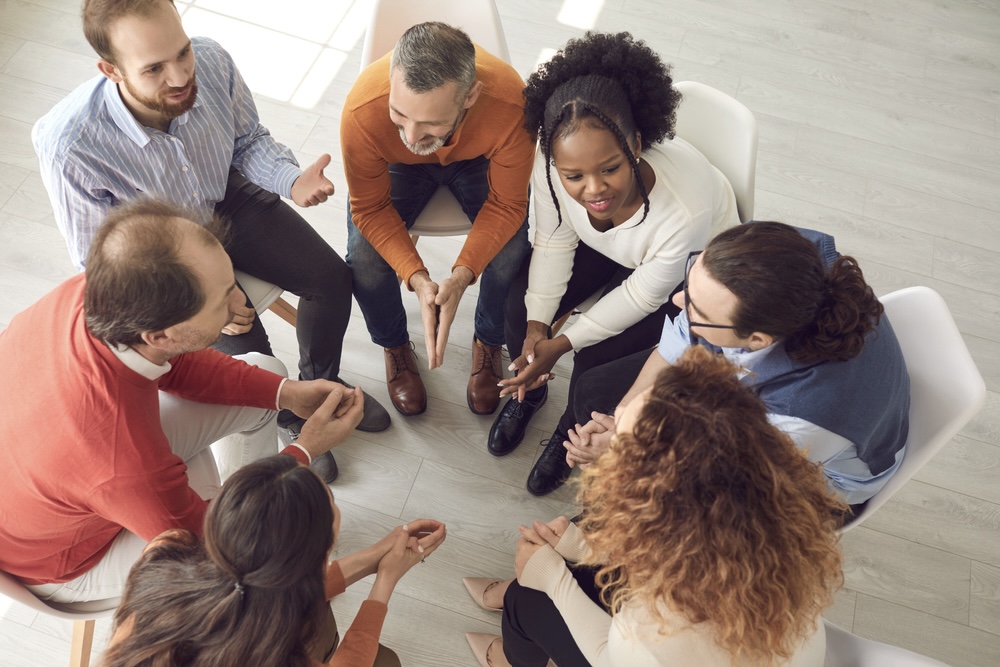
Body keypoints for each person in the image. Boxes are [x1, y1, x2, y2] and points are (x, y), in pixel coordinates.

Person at [32, 0, 390, 483]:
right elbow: (106, 266)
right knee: (251, 349)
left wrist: (289, 178)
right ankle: (286, 411)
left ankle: (316, 388)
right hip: (162, 254)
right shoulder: (71, 145)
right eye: (155, 68)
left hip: (224, 196)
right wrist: (210, 291)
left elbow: (246, 142)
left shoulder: (213, 60)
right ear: (110, 70)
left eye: (182, 52)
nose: (180, 76)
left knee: (331, 277)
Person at [0, 199, 363, 605]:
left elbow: (174, 364)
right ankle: (253, 502)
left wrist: (288, 394)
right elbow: (208, 540)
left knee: (267, 371)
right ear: (161, 334)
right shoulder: (124, 461)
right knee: (248, 564)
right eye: (223, 300)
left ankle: (249, 492)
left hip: (54, 473)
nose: (240, 305)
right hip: (61, 560)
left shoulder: (96, 293)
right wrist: (306, 448)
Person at [464, 346, 845, 666]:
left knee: (526, 601)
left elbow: (610, 655)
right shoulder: (758, 510)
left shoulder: (675, 616)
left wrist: (554, 580)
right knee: (585, 546)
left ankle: (512, 652)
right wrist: (584, 549)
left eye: (624, 450)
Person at [489, 32, 739, 496]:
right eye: (574, 176)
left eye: (610, 167)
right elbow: (553, 237)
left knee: (595, 371)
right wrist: (538, 329)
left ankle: (570, 433)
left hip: (680, 275)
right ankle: (532, 389)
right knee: (517, 312)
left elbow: (644, 294)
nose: (593, 190)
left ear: (637, 143)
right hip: (610, 246)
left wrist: (562, 343)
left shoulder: (685, 212)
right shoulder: (549, 161)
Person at [562, 221, 911, 511]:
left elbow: (713, 476)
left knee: (654, 508)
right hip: (766, 404)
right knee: (595, 393)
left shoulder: (799, 416)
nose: (678, 301)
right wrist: (625, 417)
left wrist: (623, 452)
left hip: (804, 480)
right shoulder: (776, 258)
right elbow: (683, 336)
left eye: (698, 309)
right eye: (691, 279)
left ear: (756, 339)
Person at [341, 21, 534, 417]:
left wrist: (462, 274)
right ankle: (394, 345)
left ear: (471, 96)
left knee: (512, 245)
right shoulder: (362, 111)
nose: (411, 133)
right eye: (399, 114)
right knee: (364, 257)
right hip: (398, 167)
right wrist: (416, 275)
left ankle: (488, 340)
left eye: (429, 122)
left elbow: (508, 204)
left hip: (479, 160)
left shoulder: (512, 104)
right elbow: (369, 208)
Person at [102, 455, 447, 666]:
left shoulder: (168, 550)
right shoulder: (277, 656)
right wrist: (384, 584)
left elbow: (267, 586)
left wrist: (376, 556)